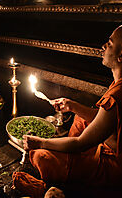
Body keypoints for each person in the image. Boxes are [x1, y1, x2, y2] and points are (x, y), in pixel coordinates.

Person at [13, 25, 122, 198]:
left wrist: (40, 143)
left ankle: (51, 187)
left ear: (120, 56)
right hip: (107, 142)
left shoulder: (117, 95)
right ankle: (68, 160)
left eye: (109, 44)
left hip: (115, 168)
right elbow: (103, 120)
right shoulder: (118, 84)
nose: (103, 47)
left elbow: (81, 143)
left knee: (40, 156)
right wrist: (72, 105)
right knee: (80, 118)